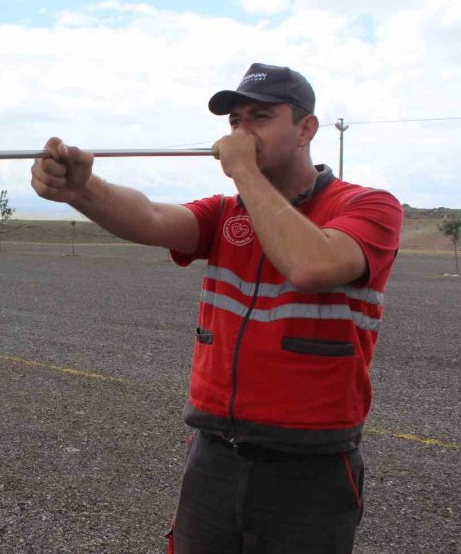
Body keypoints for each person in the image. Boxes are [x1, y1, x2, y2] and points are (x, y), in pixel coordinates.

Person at [30, 63, 404, 554]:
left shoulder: (370, 206)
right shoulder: (227, 212)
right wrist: (83, 190)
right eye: (234, 122)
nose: (242, 133)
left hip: (310, 468)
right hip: (214, 458)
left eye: (261, 117)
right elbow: (150, 217)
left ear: (306, 129)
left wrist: (244, 169)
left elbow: (312, 264)